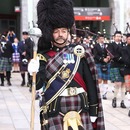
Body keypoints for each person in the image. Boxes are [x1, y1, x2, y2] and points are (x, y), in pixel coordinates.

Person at [28, 0, 105, 130]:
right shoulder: (43, 56)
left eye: (63, 31)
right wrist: (33, 71)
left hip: (80, 109)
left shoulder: (79, 52)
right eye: (56, 31)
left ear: (68, 32)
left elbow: (90, 84)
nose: (60, 35)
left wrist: (93, 109)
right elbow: (38, 86)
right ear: (50, 33)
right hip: (55, 110)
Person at [107, 31, 126, 108]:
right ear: (114, 37)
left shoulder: (123, 45)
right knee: (117, 84)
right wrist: (120, 58)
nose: (118, 38)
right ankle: (114, 99)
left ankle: (122, 101)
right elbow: (112, 55)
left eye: (120, 36)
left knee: (123, 85)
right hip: (115, 65)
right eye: (117, 36)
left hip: (123, 66)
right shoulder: (110, 45)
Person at [93, 34, 111, 100]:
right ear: (98, 39)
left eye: (103, 38)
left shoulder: (106, 46)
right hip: (98, 63)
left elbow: (108, 53)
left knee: (105, 80)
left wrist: (108, 57)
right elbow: (95, 55)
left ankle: (104, 94)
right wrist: (102, 59)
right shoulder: (95, 46)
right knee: (99, 80)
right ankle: (98, 93)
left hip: (106, 64)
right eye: (100, 38)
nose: (102, 40)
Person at [121, 33, 130, 116]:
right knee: (129, 90)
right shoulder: (124, 49)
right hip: (128, 71)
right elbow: (126, 60)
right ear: (127, 40)